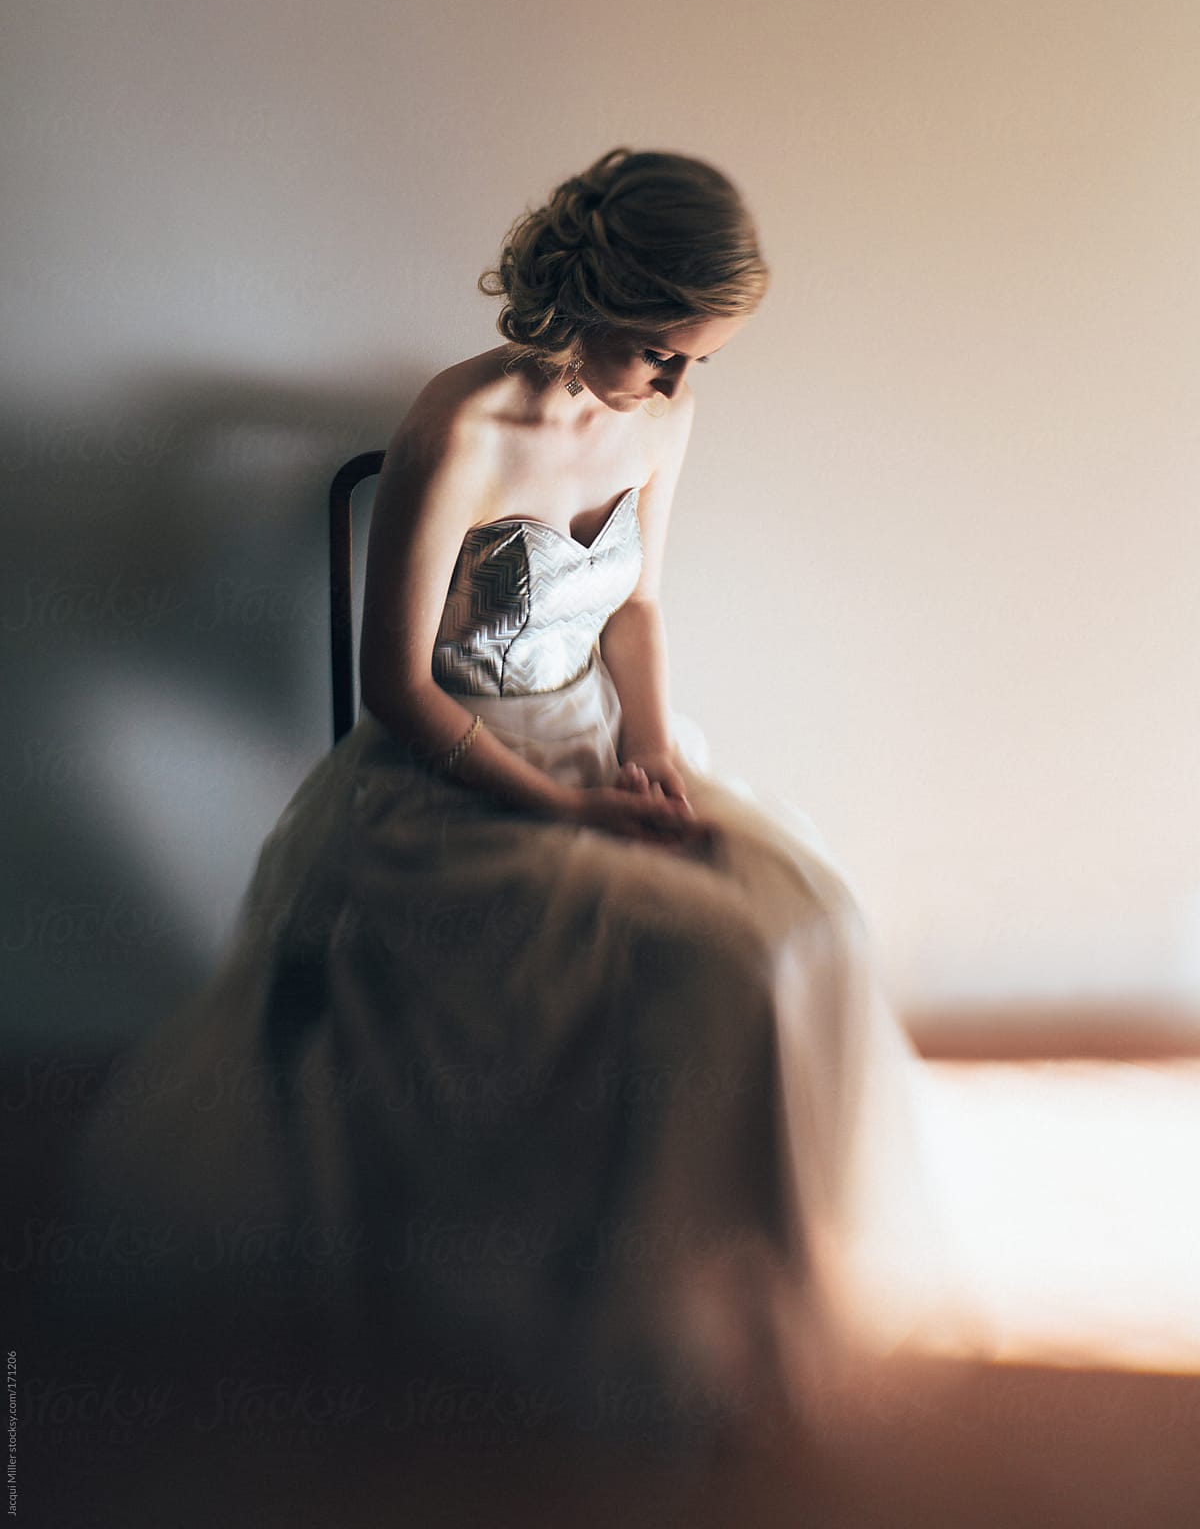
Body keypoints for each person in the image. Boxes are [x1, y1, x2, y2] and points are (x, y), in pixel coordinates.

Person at [66, 147, 987, 1454]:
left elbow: (640, 607)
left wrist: (652, 758)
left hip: (595, 752)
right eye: (664, 348)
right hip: (446, 786)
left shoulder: (665, 415)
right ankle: (607, 1303)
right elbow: (396, 688)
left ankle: (726, 1299)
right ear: (598, 295)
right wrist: (562, 818)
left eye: (699, 361)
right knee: (712, 956)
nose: (676, 381)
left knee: (806, 924)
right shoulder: (464, 426)